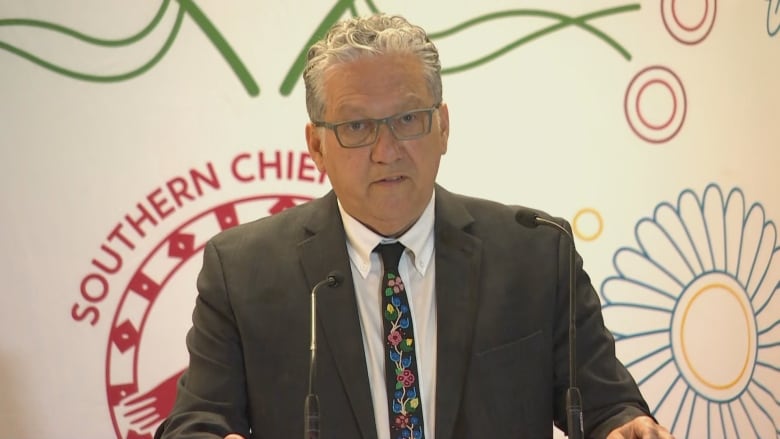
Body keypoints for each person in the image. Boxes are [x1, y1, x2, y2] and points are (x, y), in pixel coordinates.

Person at [156, 13, 673, 439]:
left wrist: (625, 426)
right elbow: (197, 420)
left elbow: (608, 406)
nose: (387, 151)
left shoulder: (537, 253)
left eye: (408, 119)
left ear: (443, 126)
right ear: (316, 146)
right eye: (357, 126)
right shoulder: (243, 271)